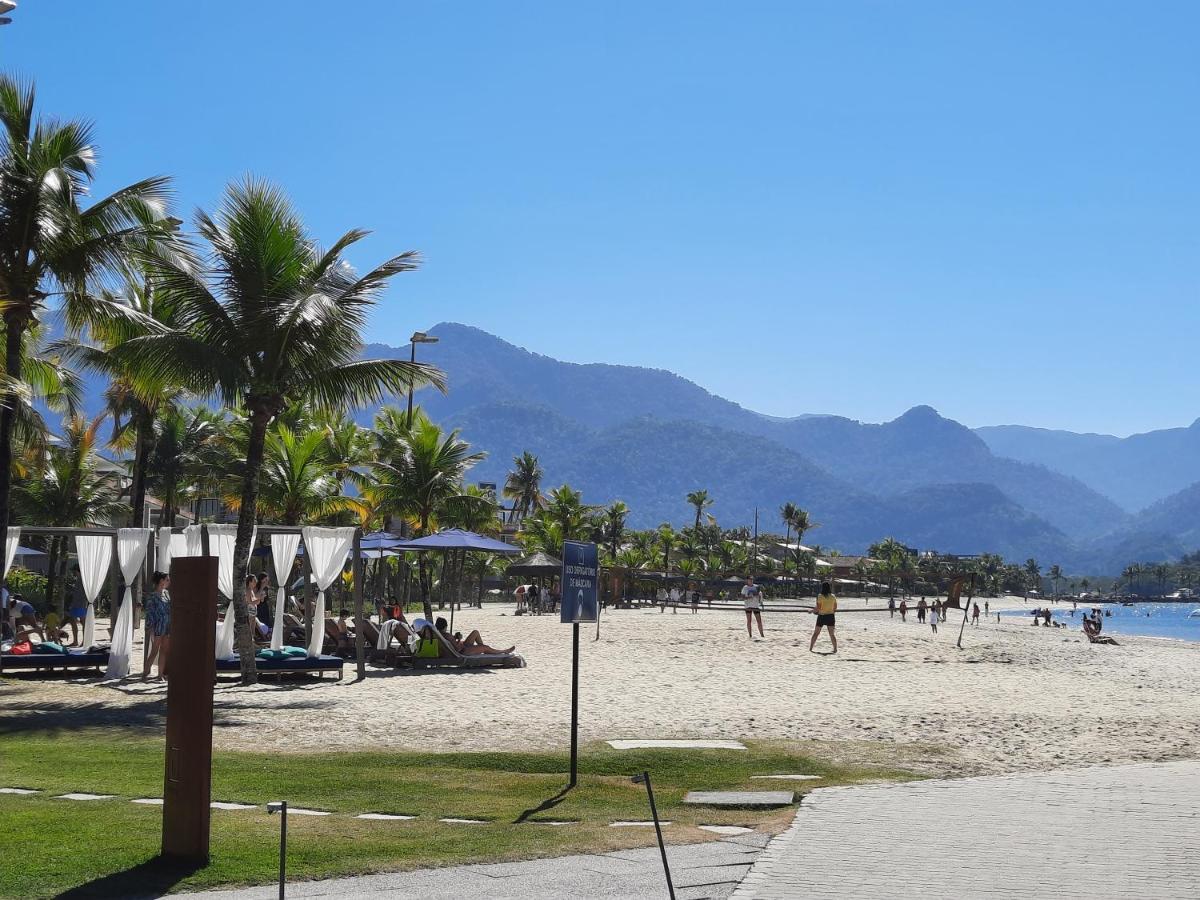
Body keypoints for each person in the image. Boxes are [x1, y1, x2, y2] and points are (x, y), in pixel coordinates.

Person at [434, 617, 514, 655]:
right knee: (486, 647)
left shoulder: (439, 635)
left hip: (463, 646)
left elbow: (451, 643)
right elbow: (457, 649)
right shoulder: (447, 635)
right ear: (445, 626)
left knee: (475, 632)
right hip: (464, 651)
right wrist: (459, 639)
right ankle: (503, 651)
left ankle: (482, 649)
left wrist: (455, 638)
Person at [143, 571, 171, 680]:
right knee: (154, 651)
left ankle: (160, 675)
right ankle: (145, 674)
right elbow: (149, 613)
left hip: (167, 625)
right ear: (161, 581)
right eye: (167, 579)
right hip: (158, 626)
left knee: (164, 651)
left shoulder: (167, 594)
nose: (169, 581)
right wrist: (149, 628)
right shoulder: (153, 596)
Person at [809, 581, 838, 653]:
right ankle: (835, 649)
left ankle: (811, 648)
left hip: (822, 616)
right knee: (832, 634)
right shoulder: (833, 596)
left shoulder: (820, 596)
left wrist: (811, 611)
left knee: (816, 633)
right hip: (831, 616)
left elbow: (818, 608)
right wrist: (830, 611)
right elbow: (835, 607)